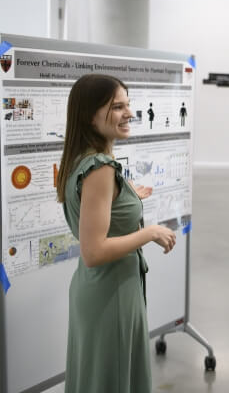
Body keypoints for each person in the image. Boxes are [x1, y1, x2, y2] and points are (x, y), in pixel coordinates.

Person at [56, 74, 177, 393]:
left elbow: (94, 208)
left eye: (128, 104)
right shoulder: (100, 169)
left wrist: (129, 195)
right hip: (112, 294)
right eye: (117, 106)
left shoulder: (81, 161)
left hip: (97, 290)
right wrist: (149, 232)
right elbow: (93, 252)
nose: (129, 113)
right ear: (90, 116)